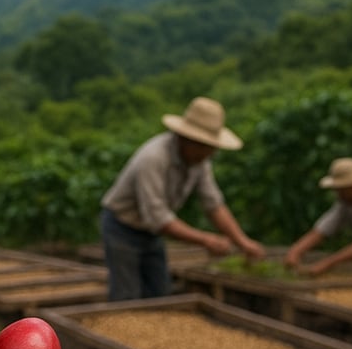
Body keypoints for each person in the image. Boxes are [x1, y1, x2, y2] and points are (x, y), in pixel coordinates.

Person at [99, 97, 265, 300]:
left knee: (160, 292)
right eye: (207, 146)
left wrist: (242, 242)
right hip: (122, 228)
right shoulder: (153, 158)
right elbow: (158, 218)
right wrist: (206, 239)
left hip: (150, 233)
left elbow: (213, 204)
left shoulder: (199, 162)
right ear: (188, 140)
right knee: (127, 294)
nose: (211, 152)